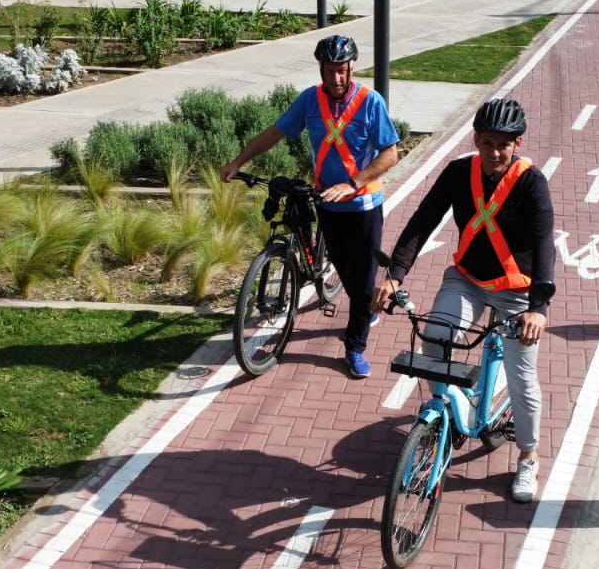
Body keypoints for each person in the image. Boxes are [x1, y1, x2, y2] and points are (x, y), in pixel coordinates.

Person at [372, 97, 556, 504]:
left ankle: (528, 455)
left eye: (503, 145)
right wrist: (394, 274)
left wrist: (538, 310)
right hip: (468, 279)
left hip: (517, 291)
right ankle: (444, 417)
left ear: (517, 143)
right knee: (435, 335)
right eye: (487, 143)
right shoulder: (459, 172)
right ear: (476, 139)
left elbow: (545, 245)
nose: (494, 153)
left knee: (522, 375)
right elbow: (422, 222)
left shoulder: (531, 183)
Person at [222, 35, 400, 380]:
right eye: (330, 71)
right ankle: (364, 308)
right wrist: (238, 160)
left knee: (362, 284)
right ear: (321, 69)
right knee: (345, 273)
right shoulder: (310, 100)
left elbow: (390, 153)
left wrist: (352, 184)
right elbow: (275, 133)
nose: (337, 79)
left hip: (362, 204)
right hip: (327, 204)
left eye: (343, 71)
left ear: (352, 68)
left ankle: (355, 346)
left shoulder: (370, 102)